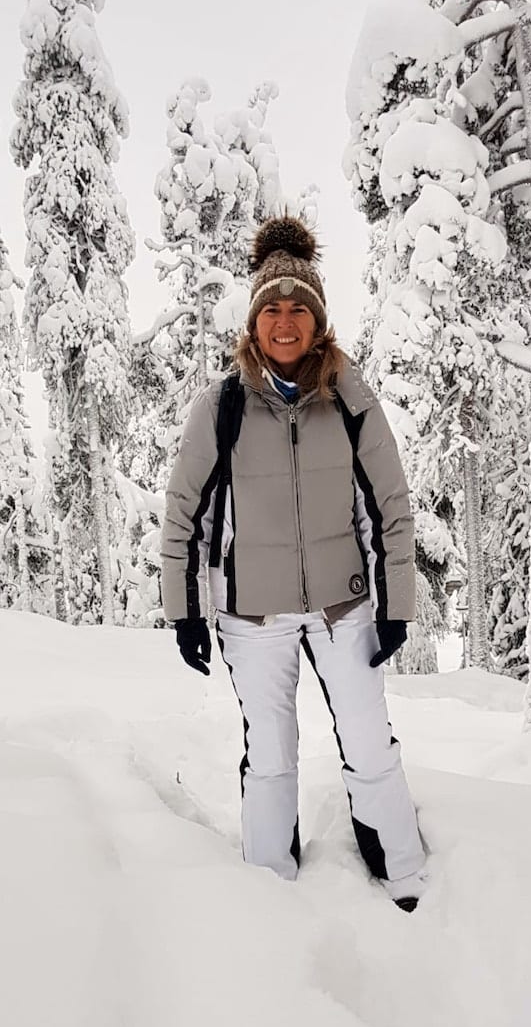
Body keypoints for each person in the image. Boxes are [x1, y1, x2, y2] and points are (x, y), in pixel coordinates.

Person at [160, 215, 428, 912]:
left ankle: (402, 875)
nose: (285, 322)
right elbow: (184, 515)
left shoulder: (348, 398)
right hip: (254, 617)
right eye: (272, 309)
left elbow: (390, 506)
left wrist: (396, 605)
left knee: (370, 744)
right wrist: (185, 613)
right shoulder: (220, 407)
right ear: (254, 323)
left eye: (298, 308)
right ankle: (269, 894)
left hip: (343, 610)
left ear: (318, 321)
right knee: (272, 758)